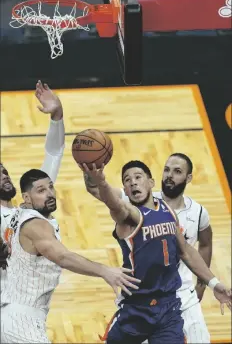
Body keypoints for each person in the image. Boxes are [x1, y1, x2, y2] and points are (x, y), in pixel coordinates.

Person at [80, 162, 231, 344]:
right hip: (136, 309)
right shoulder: (128, 216)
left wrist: (214, 283)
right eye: (127, 180)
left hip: (168, 308)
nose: (133, 183)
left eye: (138, 177)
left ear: (151, 182)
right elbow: (112, 202)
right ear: (125, 191)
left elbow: (186, 252)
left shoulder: (167, 210)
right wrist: (100, 180)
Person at [0, 169, 141, 344]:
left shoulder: (19, 214)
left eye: (51, 187)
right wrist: (105, 271)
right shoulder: (35, 224)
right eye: (41, 191)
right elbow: (63, 257)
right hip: (21, 320)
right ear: (26, 198)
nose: (50, 194)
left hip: (14, 314)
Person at [0, 80, 65, 290]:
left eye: (4, 170)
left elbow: (53, 153)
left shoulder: (30, 207)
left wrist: (56, 117)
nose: (4, 175)